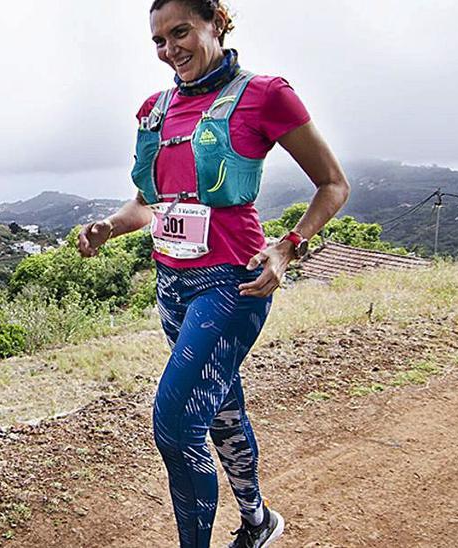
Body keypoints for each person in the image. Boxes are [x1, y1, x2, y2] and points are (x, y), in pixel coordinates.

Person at [76, 1, 350, 547]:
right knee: (219, 405)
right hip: (171, 289)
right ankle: (258, 521)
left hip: (231, 283)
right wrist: (109, 226)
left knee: (176, 425)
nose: (169, 49)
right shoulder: (155, 109)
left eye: (181, 32)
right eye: (158, 40)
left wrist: (287, 247)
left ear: (216, 22)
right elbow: (148, 203)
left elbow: (333, 184)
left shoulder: (265, 94)